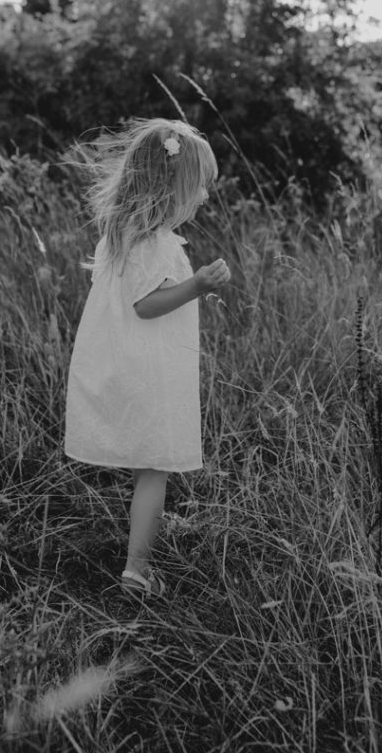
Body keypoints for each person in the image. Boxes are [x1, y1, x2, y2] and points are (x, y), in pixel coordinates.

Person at [64, 118, 231, 600]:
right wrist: (197, 284)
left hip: (126, 364)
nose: (200, 198)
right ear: (169, 185)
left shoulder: (121, 234)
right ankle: (138, 570)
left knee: (147, 469)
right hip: (147, 373)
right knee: (155, 468)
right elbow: (146, 304)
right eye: (196, 187)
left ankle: (141, 551)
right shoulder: (155, 244)